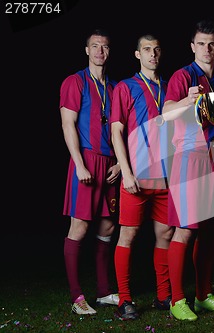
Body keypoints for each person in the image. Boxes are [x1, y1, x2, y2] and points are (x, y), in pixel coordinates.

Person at [161, 19, 214, 321]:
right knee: (185, 230)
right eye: (201, 43)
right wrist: (184, 101)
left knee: (210, 232)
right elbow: (166, 113)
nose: (207, 48)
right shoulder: (183, 75)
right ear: (193, 47)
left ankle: (203, 295)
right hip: (189, 159)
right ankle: (177, 299)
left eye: (212, 43)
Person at [110, 34, 173, 320]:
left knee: (165, 234)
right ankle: (125, 299)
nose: (153, 54)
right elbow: (116, 131)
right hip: (137, 176)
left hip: (165, 176)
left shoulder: (170, 87)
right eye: (147, 49)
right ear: (137, 54)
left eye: (157, 49)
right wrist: (125, 171)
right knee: (129, 235)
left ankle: (163, 296)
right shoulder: (126, 87)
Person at [60, 28, 120, 315]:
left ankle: (104, 291)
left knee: (108, 226)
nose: (100, 51)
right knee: (80, 226)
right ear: (87, 50)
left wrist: (121, 164)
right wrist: (80, 164)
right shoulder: (75, 82)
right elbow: (67, 125)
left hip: (111, 164)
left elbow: (123, 130)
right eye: (95, 46)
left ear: (109, 51)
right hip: (86, 161)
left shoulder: (114, 87)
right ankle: (76, 297)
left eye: (104, 47)